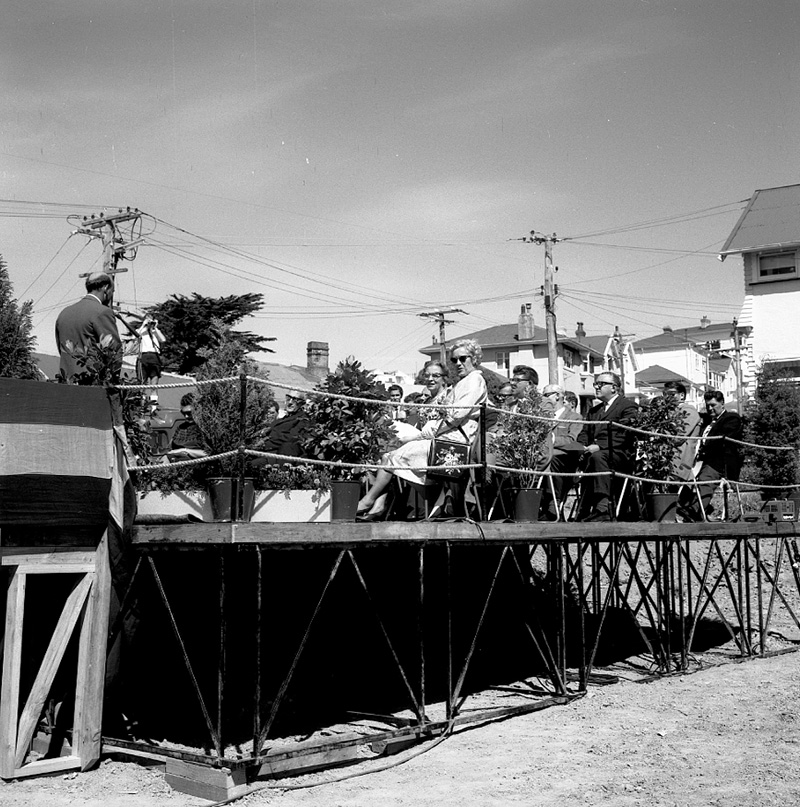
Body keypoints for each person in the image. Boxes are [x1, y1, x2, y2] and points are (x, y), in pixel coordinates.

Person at [356, 339, 488, 520]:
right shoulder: (463, 381)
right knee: (390, 456)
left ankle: (370, 502)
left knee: (393, 458)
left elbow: (455, 416)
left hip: (453, 445)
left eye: (462, 358)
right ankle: (377, 505)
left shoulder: (475, 380)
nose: (458, 363)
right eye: (454, 360)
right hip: (443, 439)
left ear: (474, 358)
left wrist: (422, 435)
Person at [576, 372, 639, 521]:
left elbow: (624, 434)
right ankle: (579, 509)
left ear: (614, 388)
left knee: (598, 457)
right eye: (596, 384)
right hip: (594, 453)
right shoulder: (594, 411)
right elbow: (585, 433)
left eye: (601, 384)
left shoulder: (628, 406)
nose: (596, 387)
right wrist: (580, 446)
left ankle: (602, 509)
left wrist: (599, 446)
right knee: (572, 457)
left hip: (619, 454)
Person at [678, 390, 743, 522]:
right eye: (708, 405)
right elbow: (692, 414)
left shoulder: (731, 418)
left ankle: (696, 509)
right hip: (699, 460)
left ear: (722, 403)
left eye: (713, 405)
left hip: (719, 460)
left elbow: (724, 440)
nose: (710, 408)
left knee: (706, 479)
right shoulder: (707, 419)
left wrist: (705, 448)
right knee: (686, 482)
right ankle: (694, 508)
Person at [54, 272, 122, 383]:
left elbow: (62, 348)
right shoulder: (103, 312)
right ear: (105, 287)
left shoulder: (64, 313)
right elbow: (114, 352)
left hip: (65, 383)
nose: (111, 295)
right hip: (92, 384)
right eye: (112, 291)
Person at [540, 384, 584, 519]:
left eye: (547, 395)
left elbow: (572, 440)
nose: (544, 399)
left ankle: (553, 504)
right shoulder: (541, 416)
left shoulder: (574, 417)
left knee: (552, 459)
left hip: (564, 461)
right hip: (542, 457)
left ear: (558, 396)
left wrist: (550, 440)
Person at [663, 381, 702, 482]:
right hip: (667, 458)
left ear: (682, 395)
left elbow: (678, 438)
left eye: (671, 394)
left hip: (680, 460)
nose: (668, 397)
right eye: (665, 394)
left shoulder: (688, 411)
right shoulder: (668, 412)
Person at [258, 390, 310, 460]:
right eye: (288, 399)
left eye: (295, 400)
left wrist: (264, 444)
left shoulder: (303, 419)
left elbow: (291, 438)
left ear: (302, 404)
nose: (290, 402)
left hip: (276, 455)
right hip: (264, 451)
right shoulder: (282, 419)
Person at [167, 393, 207, 461]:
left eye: (189, 413)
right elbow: (169, 449)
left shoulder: (204, 428)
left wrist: (185, 451)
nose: (186, 416)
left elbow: (208, 453)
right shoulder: (180, 428)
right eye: (183, 413)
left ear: (197, 410)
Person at [136, 315, 166, 385]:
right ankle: (142, 395)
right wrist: (144, 325)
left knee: (154, 378)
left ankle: (153, 395)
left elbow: (163, 340)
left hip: (154, 355)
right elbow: (135, 336)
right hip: (143, 355)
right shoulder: (140, 331)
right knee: (142, 381)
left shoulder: (155, 332)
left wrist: (155, 328)